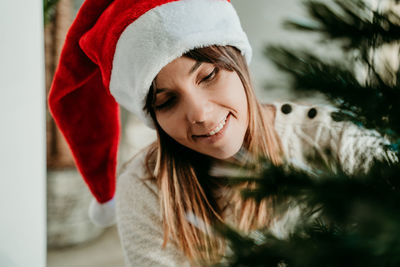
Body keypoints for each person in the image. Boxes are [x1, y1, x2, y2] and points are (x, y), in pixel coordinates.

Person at [48, 0, 398, 266]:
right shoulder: (143, 190)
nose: (199, 114)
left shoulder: (338, 141)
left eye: (209, 76)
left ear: (238, 63)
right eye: (167, 101)